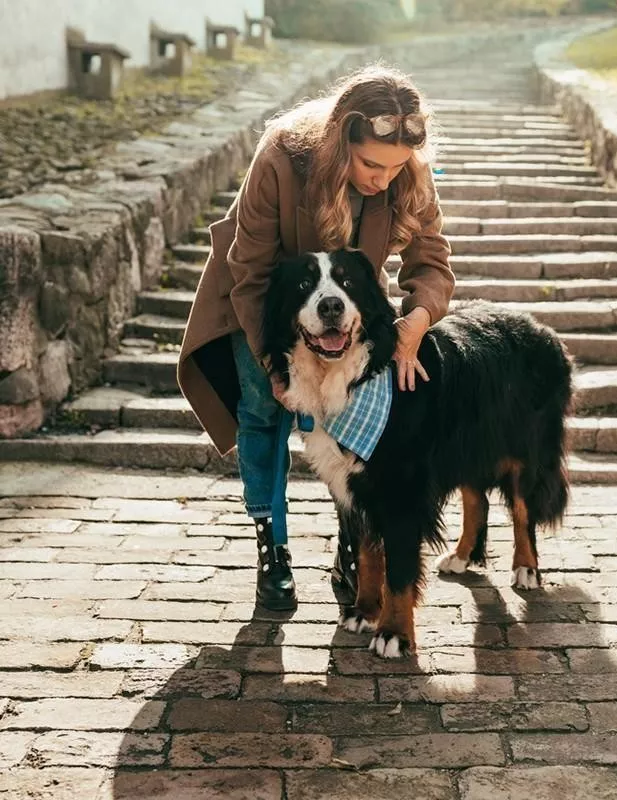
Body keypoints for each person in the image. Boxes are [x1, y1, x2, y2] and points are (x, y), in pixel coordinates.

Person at [177, 64, 454, 611]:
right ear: (340, 140)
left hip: (343, 312)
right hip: (262, 301)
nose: (382, 179)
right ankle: (272, 547)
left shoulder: (404, 174)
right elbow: (251, 272)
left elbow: (431, 259)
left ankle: (353, 541)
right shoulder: (283, 154)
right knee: (262, 408)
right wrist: (276, 369)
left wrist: (415, 324)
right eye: (372, 164)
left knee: (355, 421)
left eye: (396, 167)